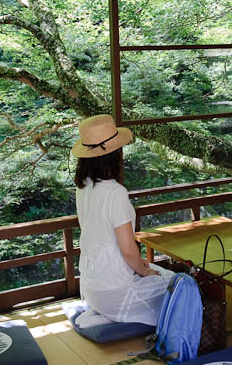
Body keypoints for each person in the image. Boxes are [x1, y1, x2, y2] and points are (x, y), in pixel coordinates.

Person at [72, 114, 173, 326]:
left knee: (159, 273)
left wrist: (140, 268)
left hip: (91, 286)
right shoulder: (115, 192)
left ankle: (101, 313)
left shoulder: (83, 187)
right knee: (175, 283)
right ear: (114, 154)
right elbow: (127, 249)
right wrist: (143, 270)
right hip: (115, 291)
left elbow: (103, 238)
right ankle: (113, 314)